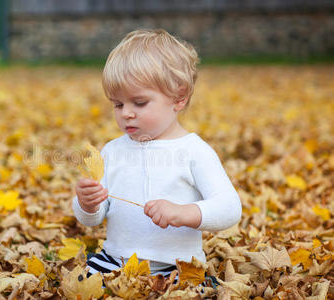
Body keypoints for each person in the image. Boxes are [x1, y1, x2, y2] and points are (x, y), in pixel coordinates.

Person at [72, 29, 242, 278]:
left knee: (195, 292)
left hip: (178, 267)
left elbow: (229, 207)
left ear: (179, 97)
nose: (126, 113)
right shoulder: (112, 151)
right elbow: (93, 219)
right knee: (80, 282)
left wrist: (185, 212)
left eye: (139, 103)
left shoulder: (194, 151)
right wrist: (87, 205)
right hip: (115, 262)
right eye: (118, 104)